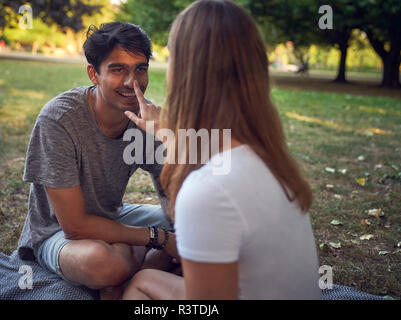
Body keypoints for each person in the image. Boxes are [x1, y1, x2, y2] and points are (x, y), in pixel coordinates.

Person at [122, 0, 321, 299]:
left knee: (143, 283)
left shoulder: (208, 190)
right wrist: (169, 136)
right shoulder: (270, 160)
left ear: (184, 75)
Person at [16, 22, 179, 298]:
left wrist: (169, 138)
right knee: (104, 264)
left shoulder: (144, 119)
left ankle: (130, 276)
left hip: (112, 215)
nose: (132, 82)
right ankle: (132, 268)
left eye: (140, 68)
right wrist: (158, 239)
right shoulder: (59, 119)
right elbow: (75, 225)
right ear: (94, 74)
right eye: (118, 69)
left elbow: (175, 194)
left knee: (192, 228)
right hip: (57, 232)